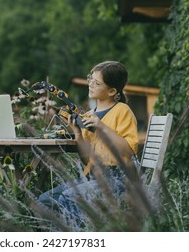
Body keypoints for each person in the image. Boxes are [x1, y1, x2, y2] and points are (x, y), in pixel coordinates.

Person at [38, 61, 139, 225]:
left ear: (112, 91)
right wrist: (78, 134)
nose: (90, 84)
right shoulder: (89, 116)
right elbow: (87, 160)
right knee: (45, 200)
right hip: (92, 176)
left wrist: (101, 127)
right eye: (90, 79)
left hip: (117, 178)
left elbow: (129, 150)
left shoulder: (122, 110)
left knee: (68, 198)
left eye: (97, 83)